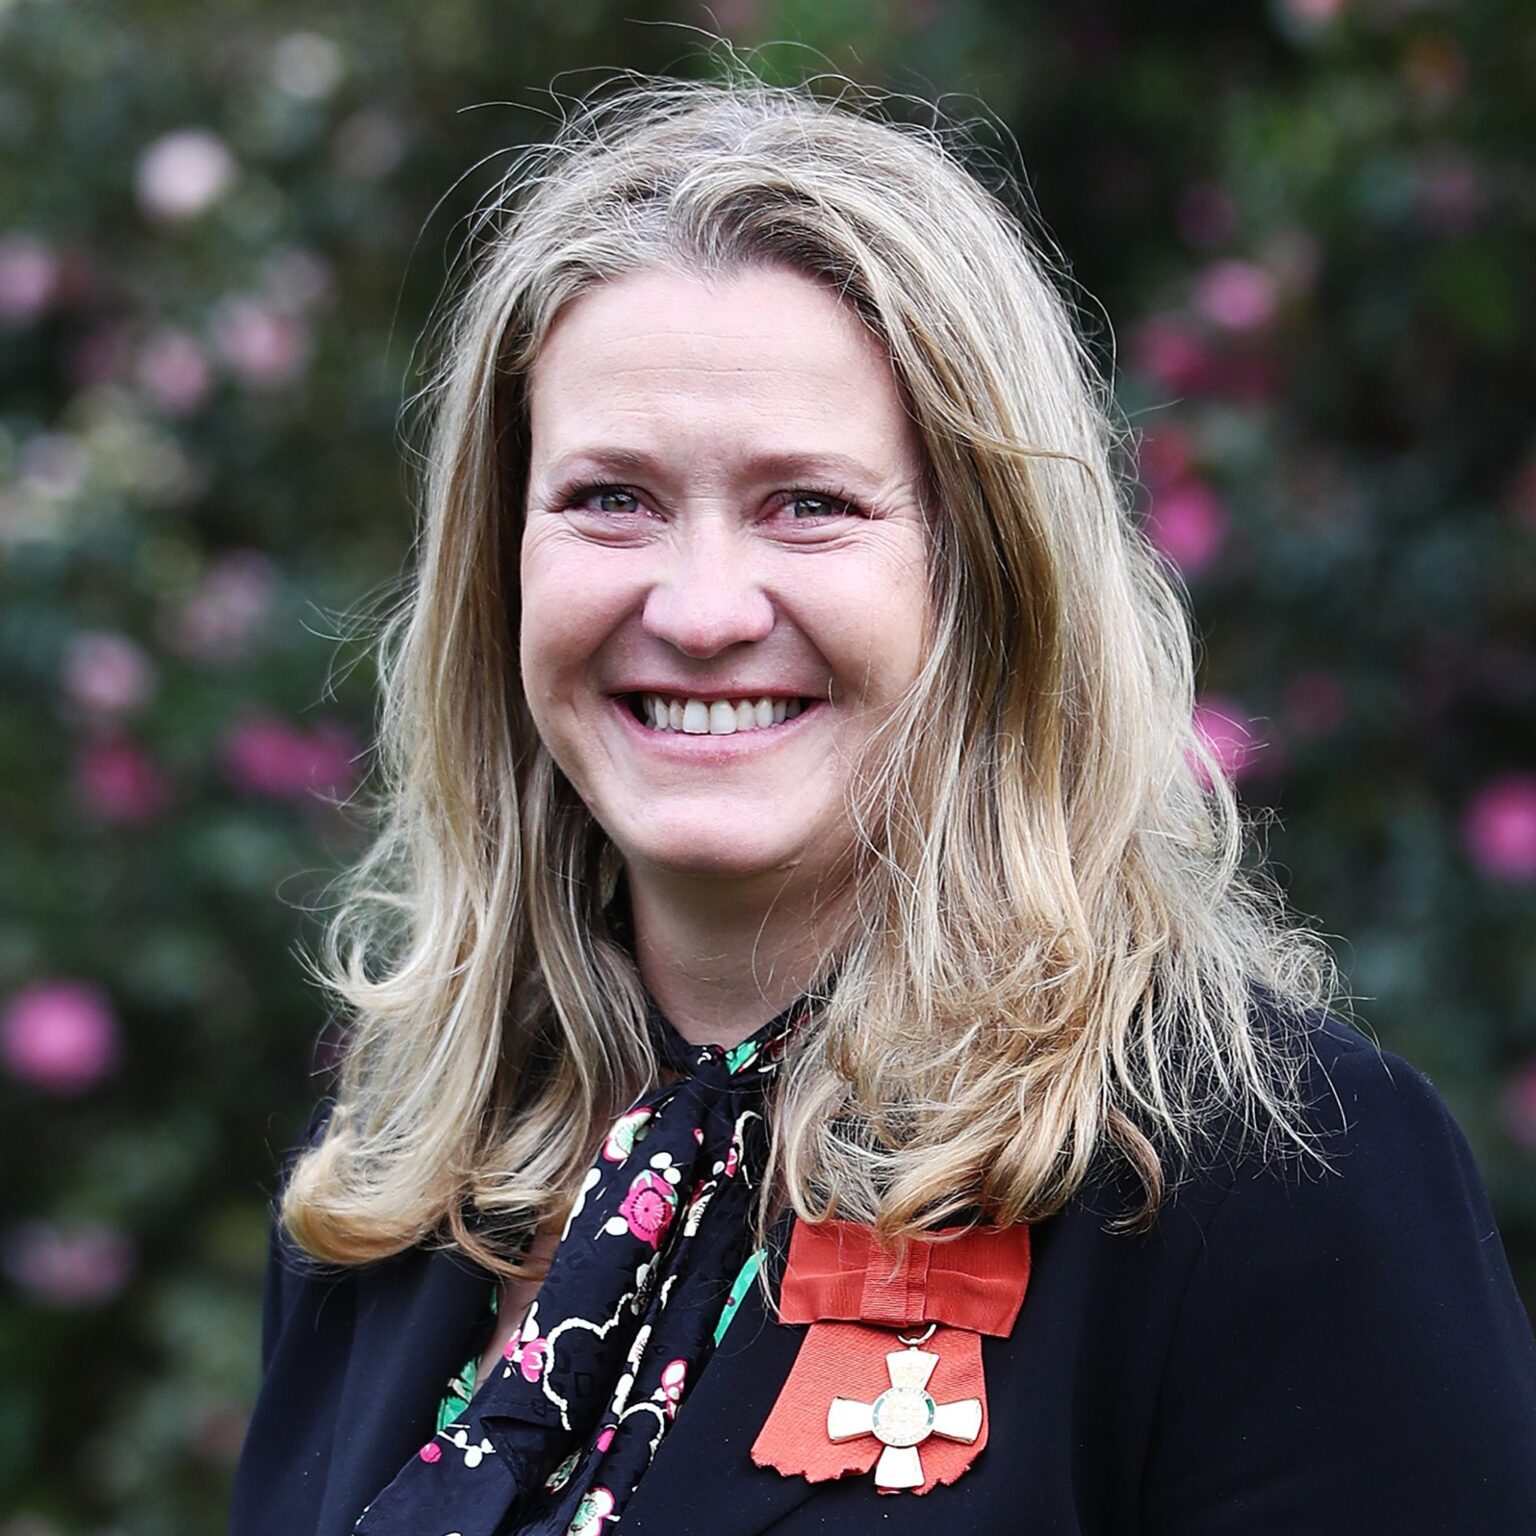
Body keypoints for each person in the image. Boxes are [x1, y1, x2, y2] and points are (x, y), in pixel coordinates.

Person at [229, 72, 1536, 1536]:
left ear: (985, 578)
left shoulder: (1272, 1180)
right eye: (611, 498)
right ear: (502, 566)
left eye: (810, 505)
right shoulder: (399, 1174)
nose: (703, 607)